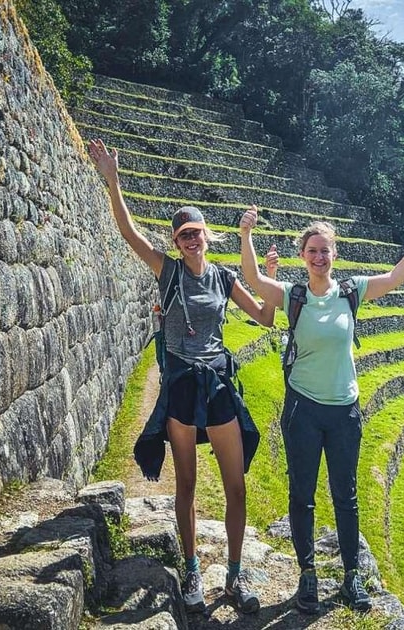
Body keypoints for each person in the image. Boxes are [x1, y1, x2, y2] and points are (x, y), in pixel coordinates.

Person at [88, 139, 277, 615]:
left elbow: (265, 317)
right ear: (176, 243)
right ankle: (193, 569)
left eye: (196, 233)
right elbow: (129, 234)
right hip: (182, 387)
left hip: (216, 382)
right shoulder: (168, 272)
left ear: (207, 235)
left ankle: (234, 575)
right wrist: (114, 182)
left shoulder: (224, 278)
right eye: (183, 236)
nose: (191, 241)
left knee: (236, 486)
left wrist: (271, 279)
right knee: (187, 484)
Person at [237, 205, 404, 614]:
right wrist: (246, 235)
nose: (319, 257)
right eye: (312, 250)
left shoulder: (351, 290)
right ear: (302, 255)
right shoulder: (293, 295)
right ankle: (307, 576)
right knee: (303, 496)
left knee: (346, 497)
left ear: (335, 254)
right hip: (303, 409)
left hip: (344, 410)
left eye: (325, 250)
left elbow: (395, 279)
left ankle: (350, 578)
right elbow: (254, 279)